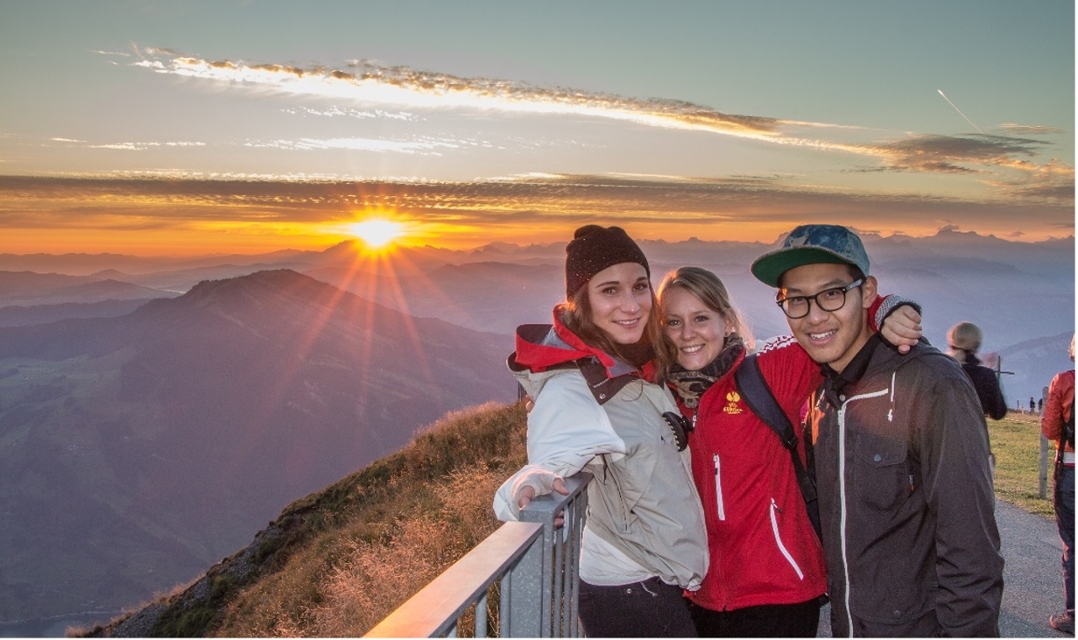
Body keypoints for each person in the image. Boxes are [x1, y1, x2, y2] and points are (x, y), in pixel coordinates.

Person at [750, 224, 1004, 637]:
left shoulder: (931, 384)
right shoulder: (820, 398)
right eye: (796, 300)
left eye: (832, 294)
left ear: (868, 293)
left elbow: (971, 549)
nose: (814, 316)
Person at [654, 266, 922, 637]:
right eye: (673, 322)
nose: (687, 334)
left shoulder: (768, 373)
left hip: (781, 592)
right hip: (697, 592)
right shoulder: (657, 391)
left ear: (727, 321)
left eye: (701, 318)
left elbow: (834, 328)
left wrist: (887, 308)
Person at [492, 225, 707, 637]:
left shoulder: (629, 364)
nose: (632, 305)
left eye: (640, 286)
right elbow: (549, 461)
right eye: (610, 290)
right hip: (630, 592)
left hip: (650, 582)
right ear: (583, 300)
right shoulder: (575, 386)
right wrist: (528, 486)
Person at [1042, 334, 1075, 634]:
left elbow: (1050, 427)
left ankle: (1074, 613)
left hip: (1070, 467)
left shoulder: (1064, 381)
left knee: (1072, 542)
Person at [947, 321, 1008, 420]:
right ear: (975, 345)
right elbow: (998, 412)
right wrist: (990, 372)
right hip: (973, 434)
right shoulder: (985, 376)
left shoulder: (939, 369)